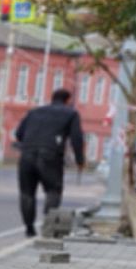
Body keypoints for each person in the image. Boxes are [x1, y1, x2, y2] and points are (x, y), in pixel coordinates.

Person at [14, 88, 87, 237]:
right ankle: (48, 225)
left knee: (27, 193)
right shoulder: (71, 113)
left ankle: (29, 229)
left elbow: (19, 134)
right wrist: (80, 160)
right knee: (53, 191)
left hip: (27, 155)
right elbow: (76, 139)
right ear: (68, 101)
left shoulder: (34, 112)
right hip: (50, 156)